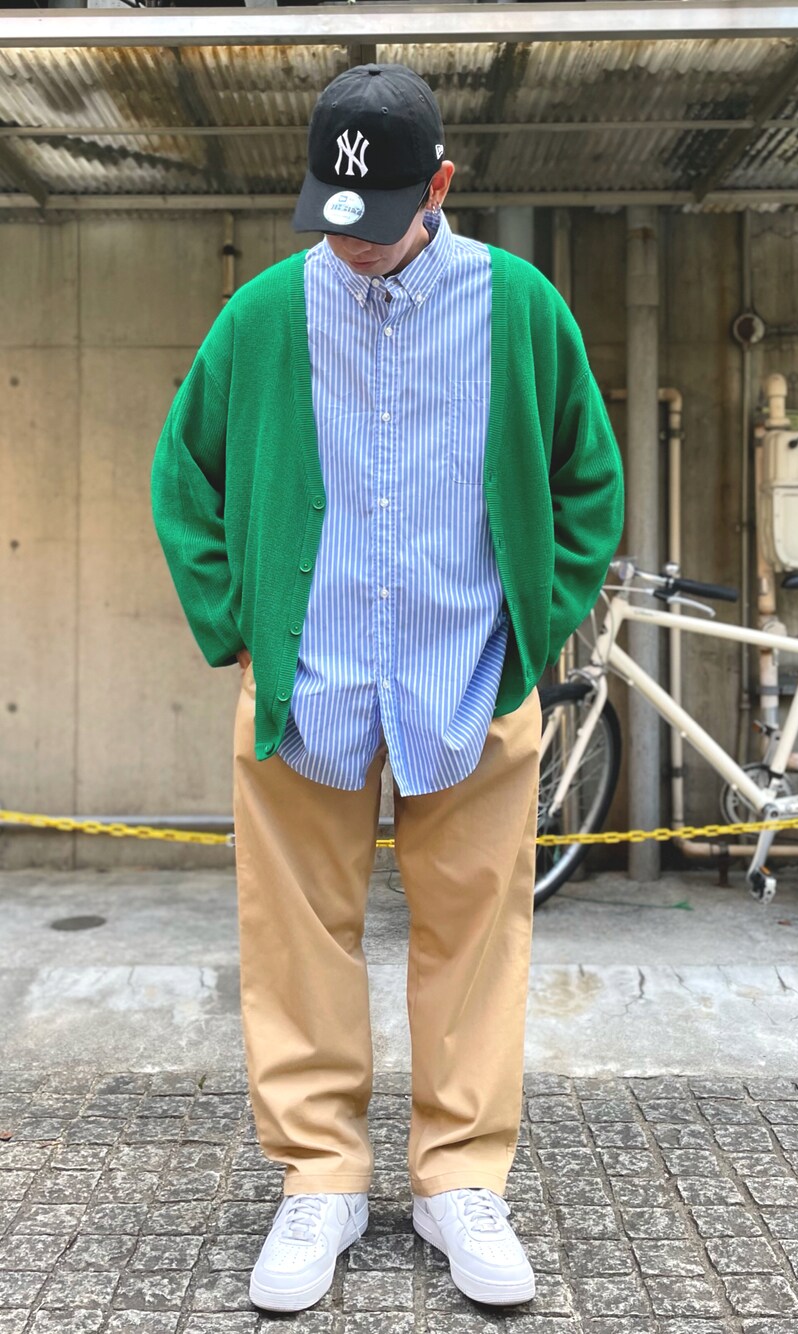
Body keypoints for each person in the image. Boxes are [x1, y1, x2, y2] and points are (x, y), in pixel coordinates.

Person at [151, 62, 623, 1315]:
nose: (351, 241)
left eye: (380, 216)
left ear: (442, 185)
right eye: (331, 214)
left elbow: (588, 477)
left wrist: (534, 627)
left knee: (478, 934)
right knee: (293, 932)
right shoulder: (263, 313)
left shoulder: (519, 307)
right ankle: (322, 1175)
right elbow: (183, 474)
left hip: (470, 674)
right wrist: (236, 630)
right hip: (304, 682)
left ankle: (459, 1177)